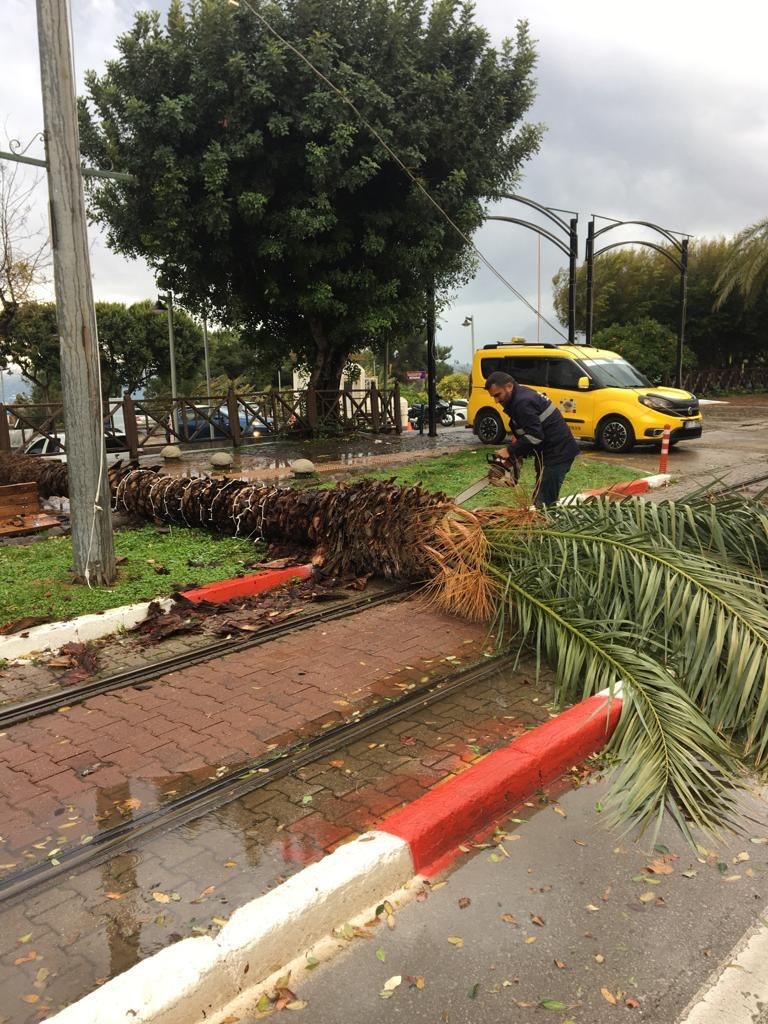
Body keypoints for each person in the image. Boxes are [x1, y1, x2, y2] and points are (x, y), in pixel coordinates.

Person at [485, 370, 579, 506]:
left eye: (498, 395)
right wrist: (517, 450)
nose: (496, 400)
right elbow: (528, 428)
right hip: (547, 452)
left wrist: (510, 451)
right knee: (541, 494)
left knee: (544, 502)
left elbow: (535, 436)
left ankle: (546, 523)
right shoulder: (521, 396)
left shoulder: (522, 402)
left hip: (557, 453)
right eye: (493, 397)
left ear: (509, 386)